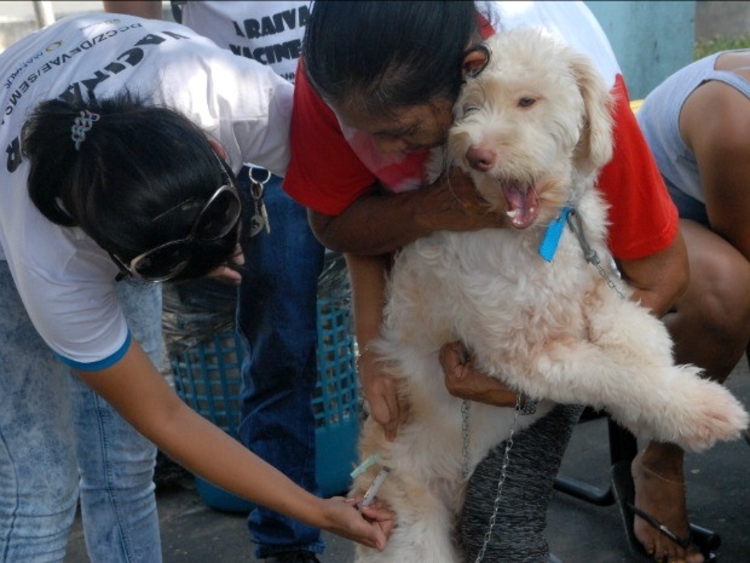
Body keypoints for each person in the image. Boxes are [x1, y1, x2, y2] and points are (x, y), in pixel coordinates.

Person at [284, 2, 689, 563]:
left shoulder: (565, 83)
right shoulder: (340, 67)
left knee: (498, 535)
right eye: (361, 132)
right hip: (425, 326)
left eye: (399, 132)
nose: (378, 152)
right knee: (398, 513)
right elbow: (338, 219)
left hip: (552, 338)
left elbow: (663, 276)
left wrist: (529, 383)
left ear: (470, 72)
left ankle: (657, 470)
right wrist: (375, 346)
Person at [0, 12, 392, 563]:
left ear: (215, 148)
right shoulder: (54, 261)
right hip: (18, 201)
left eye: (226, 217)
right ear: (117, 257)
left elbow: (356, 211)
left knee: (124, 460)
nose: (237, 253)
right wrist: (315, 509)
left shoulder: (237, 97)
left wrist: (374, 349)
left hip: (116, 154)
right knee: (35, 481)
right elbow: (166, 416)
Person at [103, 3, 327, 562]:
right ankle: (288, 547)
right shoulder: (228, 104)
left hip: (354, 99)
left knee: (416, 330)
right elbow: (164, 416)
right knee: (282, 353)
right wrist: (193, 231)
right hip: (236, 141)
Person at [629, 49, 750, 563]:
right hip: (640, 217)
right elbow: (744, 246)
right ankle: (660, 458)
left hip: (720, 222)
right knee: (730, 293)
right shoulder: (735, 120)